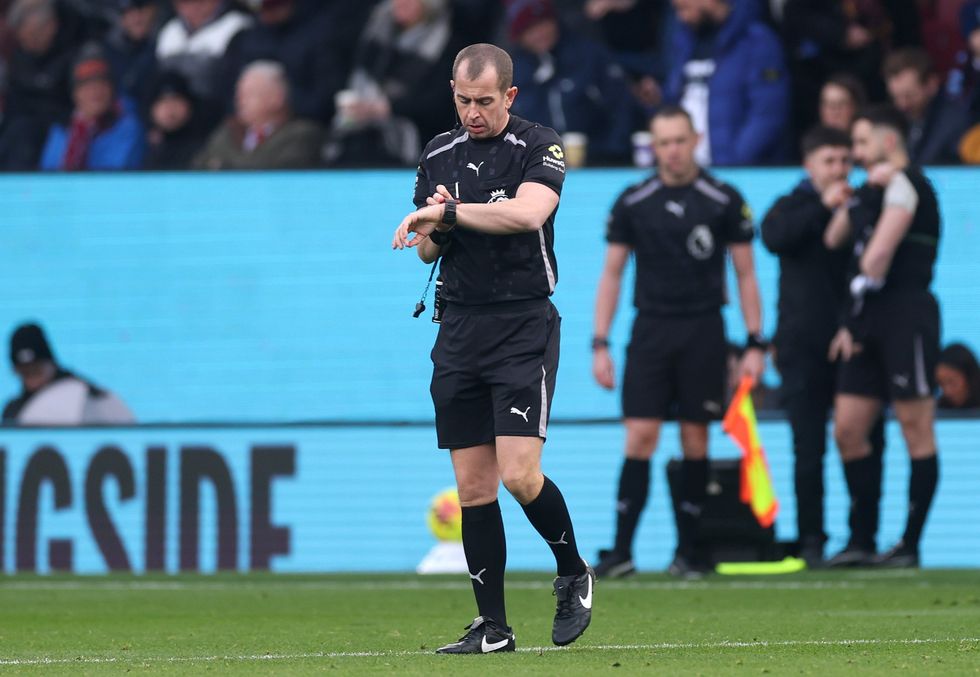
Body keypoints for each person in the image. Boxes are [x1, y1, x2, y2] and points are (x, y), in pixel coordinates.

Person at [391, 43, 593, 654]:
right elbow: (429, 250)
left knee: (519, 474)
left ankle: (573, 571)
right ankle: (493, 628)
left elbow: (529, 214)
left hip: (522, 325)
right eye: (462, 99)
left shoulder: (539, 145)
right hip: (459, 328)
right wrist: (434, 226)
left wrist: (448, 212)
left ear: (509, 96)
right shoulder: (437, 153)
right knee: (473, 488)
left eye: (483, 101)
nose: (472, 112)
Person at [590, 105, 766, 579]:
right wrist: (599, 342)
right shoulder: (632, 201)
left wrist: (755, 343)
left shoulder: (724, 198)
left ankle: (691, 551)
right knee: (640, 435)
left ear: (695, 139)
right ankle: (622, 551)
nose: (671, 151)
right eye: (662, 142)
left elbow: (746, 275)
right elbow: (611, 274)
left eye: (679, 140)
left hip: (705, 329)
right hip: (651, 330)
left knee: (695, 436)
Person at [823, 104, 943, 568]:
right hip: (866, 320)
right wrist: (849, 198)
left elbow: (875, 260)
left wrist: (852, 308)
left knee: (917, 427)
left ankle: (910, 543)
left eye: (861, 143)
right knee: (849, 430)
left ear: (887, 143)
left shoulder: (906, 184)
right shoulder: (869, 191)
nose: (854, 153)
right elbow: (835, 238)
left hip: (906, 315)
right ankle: (861, 538)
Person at [761, 126, 885, 568]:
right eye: (829, 161)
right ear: (809, 164)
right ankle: (813, 539)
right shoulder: (793, 205)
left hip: (856, 341)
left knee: (866, 440)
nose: (838, 171)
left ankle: (863, 538)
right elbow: (775, 238)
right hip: (801, 346)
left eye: (844, 162)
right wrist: (821, 205)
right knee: (807, 447)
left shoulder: (866, 208)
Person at [662, 0, 790, 166]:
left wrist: (735, 162)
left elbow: (768, 113)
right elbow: (674, 100)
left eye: (684, 7)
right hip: (688, 169)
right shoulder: (682, 42)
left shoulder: (757, 41)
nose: (680, 17)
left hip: (736, 169)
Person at [507, 0, 635, 164]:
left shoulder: (589, 56)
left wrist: (611, 154)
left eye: (544, 24)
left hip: (598, 162)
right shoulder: (514, 71)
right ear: (519, 37)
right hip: (538, 164)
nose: (539, 33)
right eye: (530, 30)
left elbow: (621, 106)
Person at [193, 60, 322, 170]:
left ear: (277, 98)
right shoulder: (227, 132)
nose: (240, 101)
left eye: (249, 94)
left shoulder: (302, 134)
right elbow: (200, 167)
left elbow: (280, 171)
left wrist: (224, 166)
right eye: (239, 95)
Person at [3, 322, 135, 425]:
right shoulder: (13, 411)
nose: (32, 379)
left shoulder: (87, 396)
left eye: (36, 370)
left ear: (51, 364)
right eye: (24, 372)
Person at [39, 42, 144, 170]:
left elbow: (115, 173)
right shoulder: (61, 131)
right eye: (87, 86)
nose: (95, 92)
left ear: (112, 90)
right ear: (75, 94)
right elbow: (49, 176)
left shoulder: (129, 127)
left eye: (101, 83)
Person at [884, 47, 970, 165]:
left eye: (909, 95)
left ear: (931, 84)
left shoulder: (956, 121)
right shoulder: (895, 121)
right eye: (895, 97)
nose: (902, 104)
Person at [142, 68, 216, 169]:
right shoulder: (143, 147)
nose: (170, 109)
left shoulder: (208, 145)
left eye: (176, 100)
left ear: (189, 105)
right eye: (163, 102)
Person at [936, 343, 980, 409]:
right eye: (941, 384)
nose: (947, 391)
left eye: (952, 382)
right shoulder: (936, 410)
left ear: (970, 377)